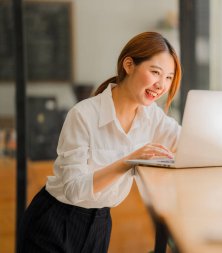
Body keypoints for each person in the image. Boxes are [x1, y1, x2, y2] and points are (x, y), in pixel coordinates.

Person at [17, 31, 182, 253]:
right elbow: (75, 189)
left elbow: (186, 143)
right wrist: (129, 162)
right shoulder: (83, 114)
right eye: (155, 72)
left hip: (100, 224)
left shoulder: (151, 116)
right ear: (129, 65)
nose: (161, 85)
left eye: (169, 77)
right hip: (54, 222)